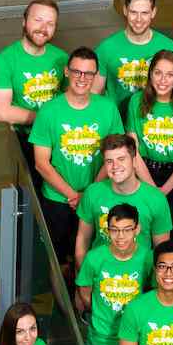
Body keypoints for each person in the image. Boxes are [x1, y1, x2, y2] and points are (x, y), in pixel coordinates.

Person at [30, 46, 124, 264]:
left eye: (89, 73)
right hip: (58, 200)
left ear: (95, 76)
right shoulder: (49, 111)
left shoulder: (107, 108)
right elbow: (41, 163)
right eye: (77, 72)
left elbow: (117, 155)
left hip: (97, 196)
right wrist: (73, 195)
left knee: (93, 258)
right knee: (57, 260)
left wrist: (89, 194)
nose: (82, 78)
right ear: (66, 72)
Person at [76, 202, 153, 345]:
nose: (120, 237)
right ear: (107, 230)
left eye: (127, 230)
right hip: (100, 340)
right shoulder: (95, 258)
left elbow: (151, 293)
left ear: (137, 229)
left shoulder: (147, 257)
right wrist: (100, 314)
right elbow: (84, 291)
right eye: (115, 230)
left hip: (133, 340)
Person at [126, 49, 173, 229]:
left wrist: (165, 190)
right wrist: (153, 189)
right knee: (143, 225)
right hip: (144, 171)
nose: (163, 80)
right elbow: (133, 151)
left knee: (172, 228)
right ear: (150, 74)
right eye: (158, 73)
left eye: (170, 75)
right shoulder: (136, 101)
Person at [74, 134, 172, 269]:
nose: (115, 166)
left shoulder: (156, 199)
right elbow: (83, 239)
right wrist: (83, 277)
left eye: (121, 159)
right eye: (109, 161)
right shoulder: (93, 192)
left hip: (140, 277)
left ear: (134, 161)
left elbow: (162, 251)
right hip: (100, 274)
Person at [94, 0, 173, 114]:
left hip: (153, 125)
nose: (138, 20)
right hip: (118, 126)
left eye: (144, 13)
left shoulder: (168, 47)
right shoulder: (106, 48)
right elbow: (95, 94)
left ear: (153, 12)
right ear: (125, 10)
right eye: (133, 12)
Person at [0, 0, 68, 127]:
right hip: (23, 137)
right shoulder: (4, 60)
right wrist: (47, 120)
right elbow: (3, 112)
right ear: (24, 22)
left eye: (50, 23)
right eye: (38, 20)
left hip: (55, 135)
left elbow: (70, 99)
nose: (43, 28)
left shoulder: (62, 58)